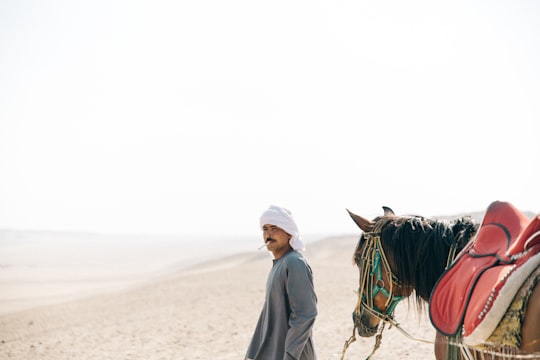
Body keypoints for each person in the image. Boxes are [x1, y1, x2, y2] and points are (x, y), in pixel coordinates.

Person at [245, 205, 318, 360]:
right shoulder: (280, 264)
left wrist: (290, 356)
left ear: (288, 232)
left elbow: (305, 314)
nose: (268, 234)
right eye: (265, 229)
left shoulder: (294, 263)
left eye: (274, 228)